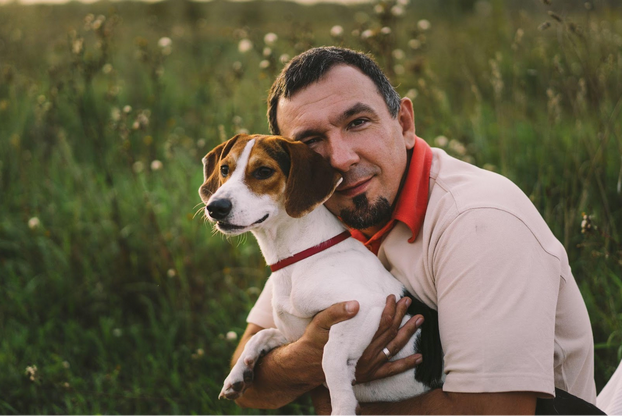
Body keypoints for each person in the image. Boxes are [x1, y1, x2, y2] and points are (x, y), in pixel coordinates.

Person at [227, 46, 597, 414]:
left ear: (404, 123)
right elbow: (247, 388)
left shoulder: (479, 221)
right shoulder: (317, 209)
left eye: (357, 122)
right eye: (311, 142)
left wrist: (333, 398)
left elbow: (493, 412)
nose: (341, 159)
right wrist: (311, 357)